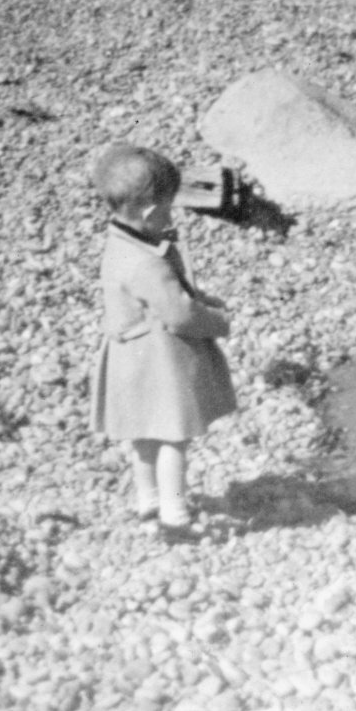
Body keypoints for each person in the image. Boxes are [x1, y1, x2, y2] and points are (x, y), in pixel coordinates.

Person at [89, 143, 237, 545]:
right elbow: (180, 314)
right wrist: (217, 321)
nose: (171, 217)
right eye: (169, 210)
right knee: (173, 437)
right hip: (159, 363)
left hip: (127, 359)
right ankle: (175, 517)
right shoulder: (147, 263)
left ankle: (148, 504)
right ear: (151, 212)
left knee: (142, 436)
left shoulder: (119, 245)